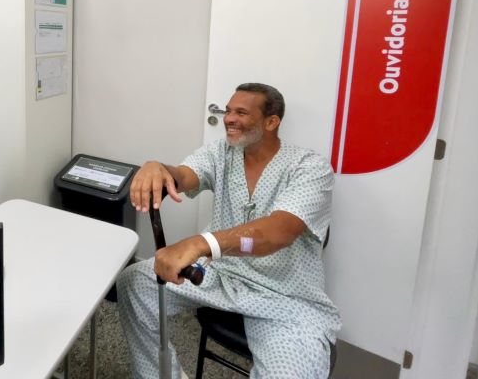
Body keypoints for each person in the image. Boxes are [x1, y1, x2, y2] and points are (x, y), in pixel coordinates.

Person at [117, 83, 340, 379]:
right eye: (229, 110)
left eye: (241, 112)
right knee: (134, 283)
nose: (229, 118)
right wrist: (158, 168)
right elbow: (184, 176)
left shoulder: (310, 168)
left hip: (284, 296)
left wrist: (201, 243)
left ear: (271, 122)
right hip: (220, 274)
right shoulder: (221, 153)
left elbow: (278, 232)